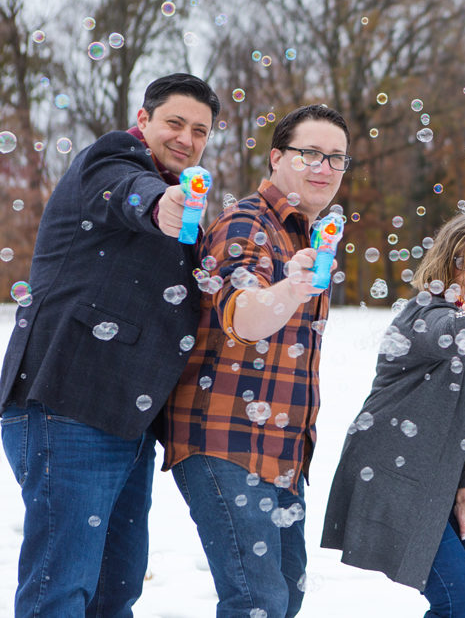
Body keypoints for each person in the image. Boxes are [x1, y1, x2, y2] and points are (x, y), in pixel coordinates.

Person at [0, 73, 219, 616]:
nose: (186, 138)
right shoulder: (117, 157)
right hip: (67, 405)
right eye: (174, 122)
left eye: (200, 130)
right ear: (143, 121)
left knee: (116, 589)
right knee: (62, 587)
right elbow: (125, 192)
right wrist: (159, 204)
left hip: (126, 416)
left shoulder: (188, 204)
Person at [161, 104, 349, 617]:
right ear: (276, 157)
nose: (323, 167)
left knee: (284, 598)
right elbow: (243, 318)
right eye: (309, 153)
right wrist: (291, 286)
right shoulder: (249, 221)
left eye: (336, 158)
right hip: (227, 439)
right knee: (258, 602)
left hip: (282, 450)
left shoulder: (310, 238)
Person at [321, 212, 465, 617]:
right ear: (446, 265)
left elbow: (460, 420)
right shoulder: (424, 314)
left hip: (437, 484)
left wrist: (462, 492)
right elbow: (448, 333)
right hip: (390, 476)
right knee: (459, 600)